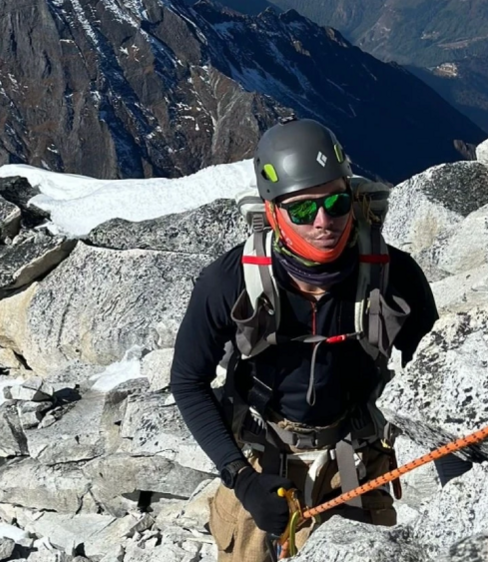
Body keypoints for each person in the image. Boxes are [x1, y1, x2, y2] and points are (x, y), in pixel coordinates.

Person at [170, 119, 443, 561]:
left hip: (355, 462)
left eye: (337, 203)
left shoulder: (395, 275)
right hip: (261, 460)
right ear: (272, 212)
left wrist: (461, 484)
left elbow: (439, 379)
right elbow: (188, 380)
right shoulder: (228, 281)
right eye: (301, 210)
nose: (323, 221)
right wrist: (240, 478)